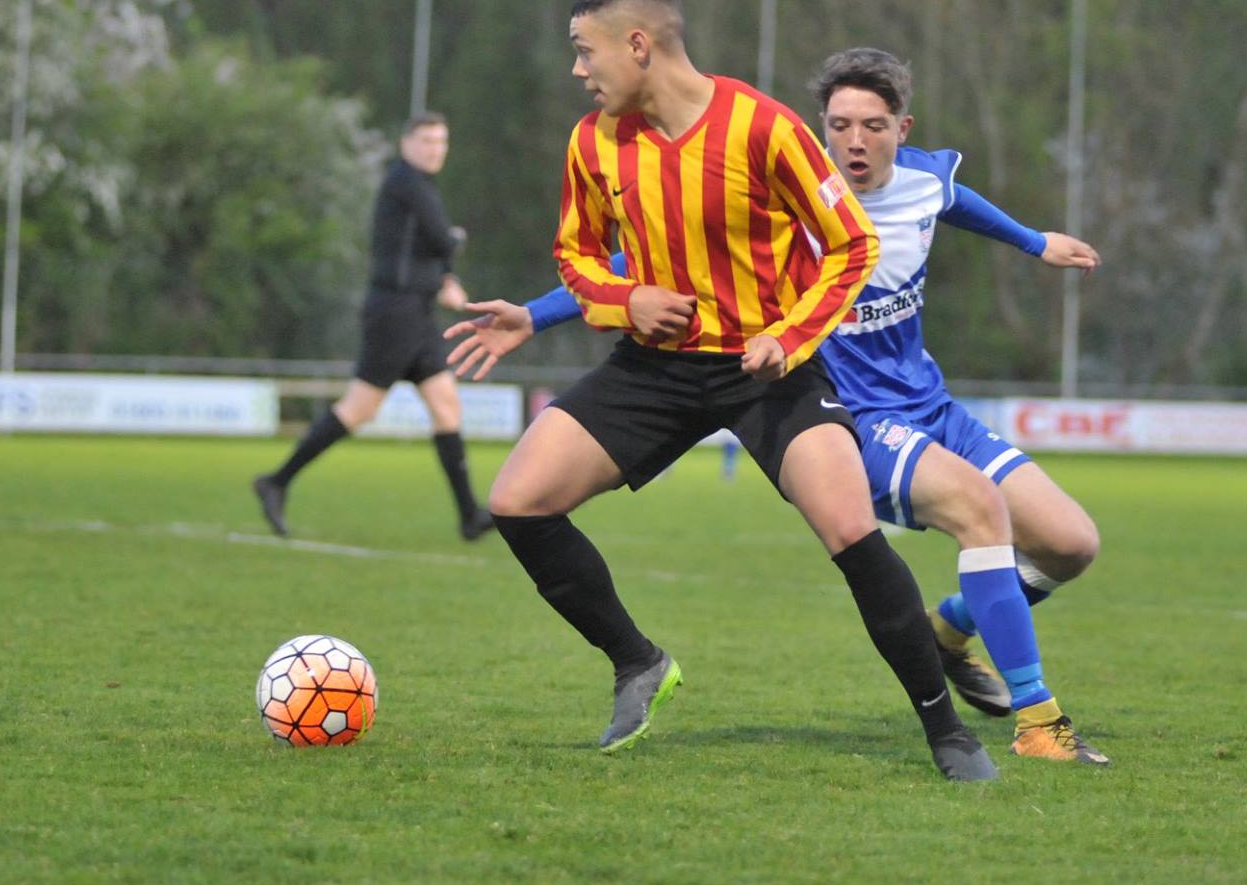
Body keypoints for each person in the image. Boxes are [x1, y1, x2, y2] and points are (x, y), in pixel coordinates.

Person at [449, 47, 1111, 767]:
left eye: (873, 125)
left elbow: (958, 201)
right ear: (820, 129)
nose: (855, 141)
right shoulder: (790, 198)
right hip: (855, 412)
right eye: (840, 125)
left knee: (1071, 544)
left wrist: (1034, 241)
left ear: (902, 129)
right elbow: (631, 258)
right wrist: (539, 315)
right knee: (979, 509)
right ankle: (1038, 724)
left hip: (931, 401)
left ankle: (948, 632)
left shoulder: (924, 179)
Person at [251, 113, 492, 541]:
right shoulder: (408, 184)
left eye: (441, 141)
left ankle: (469, 516)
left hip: (416, 314)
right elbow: (441, 239)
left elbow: (431, 248)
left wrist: (445, 272)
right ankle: (276, 481)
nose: (435, 149)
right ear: (406, 143)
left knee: (446, 407)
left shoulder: (421, 186)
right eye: (426, 140)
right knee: (360, 409)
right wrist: (452, 255)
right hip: (394, 315)